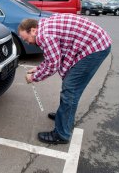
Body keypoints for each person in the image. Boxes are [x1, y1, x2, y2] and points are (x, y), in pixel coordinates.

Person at [18, 14, 111, 144]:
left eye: (26, 39)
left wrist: (33, 77)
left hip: (95, 48)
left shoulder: (44, 36)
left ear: (33, 30)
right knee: (70, 87)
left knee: (70, 89)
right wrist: (38, 68)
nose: (27, 43)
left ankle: (61, 134)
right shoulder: (44, 27)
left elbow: (53, 65)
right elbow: (52, 57)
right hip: (95, 43)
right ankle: (64, 117)